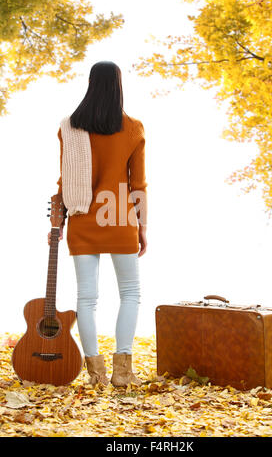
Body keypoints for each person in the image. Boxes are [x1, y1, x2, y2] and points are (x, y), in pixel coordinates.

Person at [48, 61, 148, 387]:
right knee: (130, 293)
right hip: (120, 218)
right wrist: (142, 227)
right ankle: (123, 372)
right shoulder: (133, 127)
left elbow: (65, 181)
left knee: (86, 298)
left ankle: (96, 376)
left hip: (82, 217)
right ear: (119, 85)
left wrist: (57, 222)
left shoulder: (70, 127)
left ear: (91, 84)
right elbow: (138, 185)